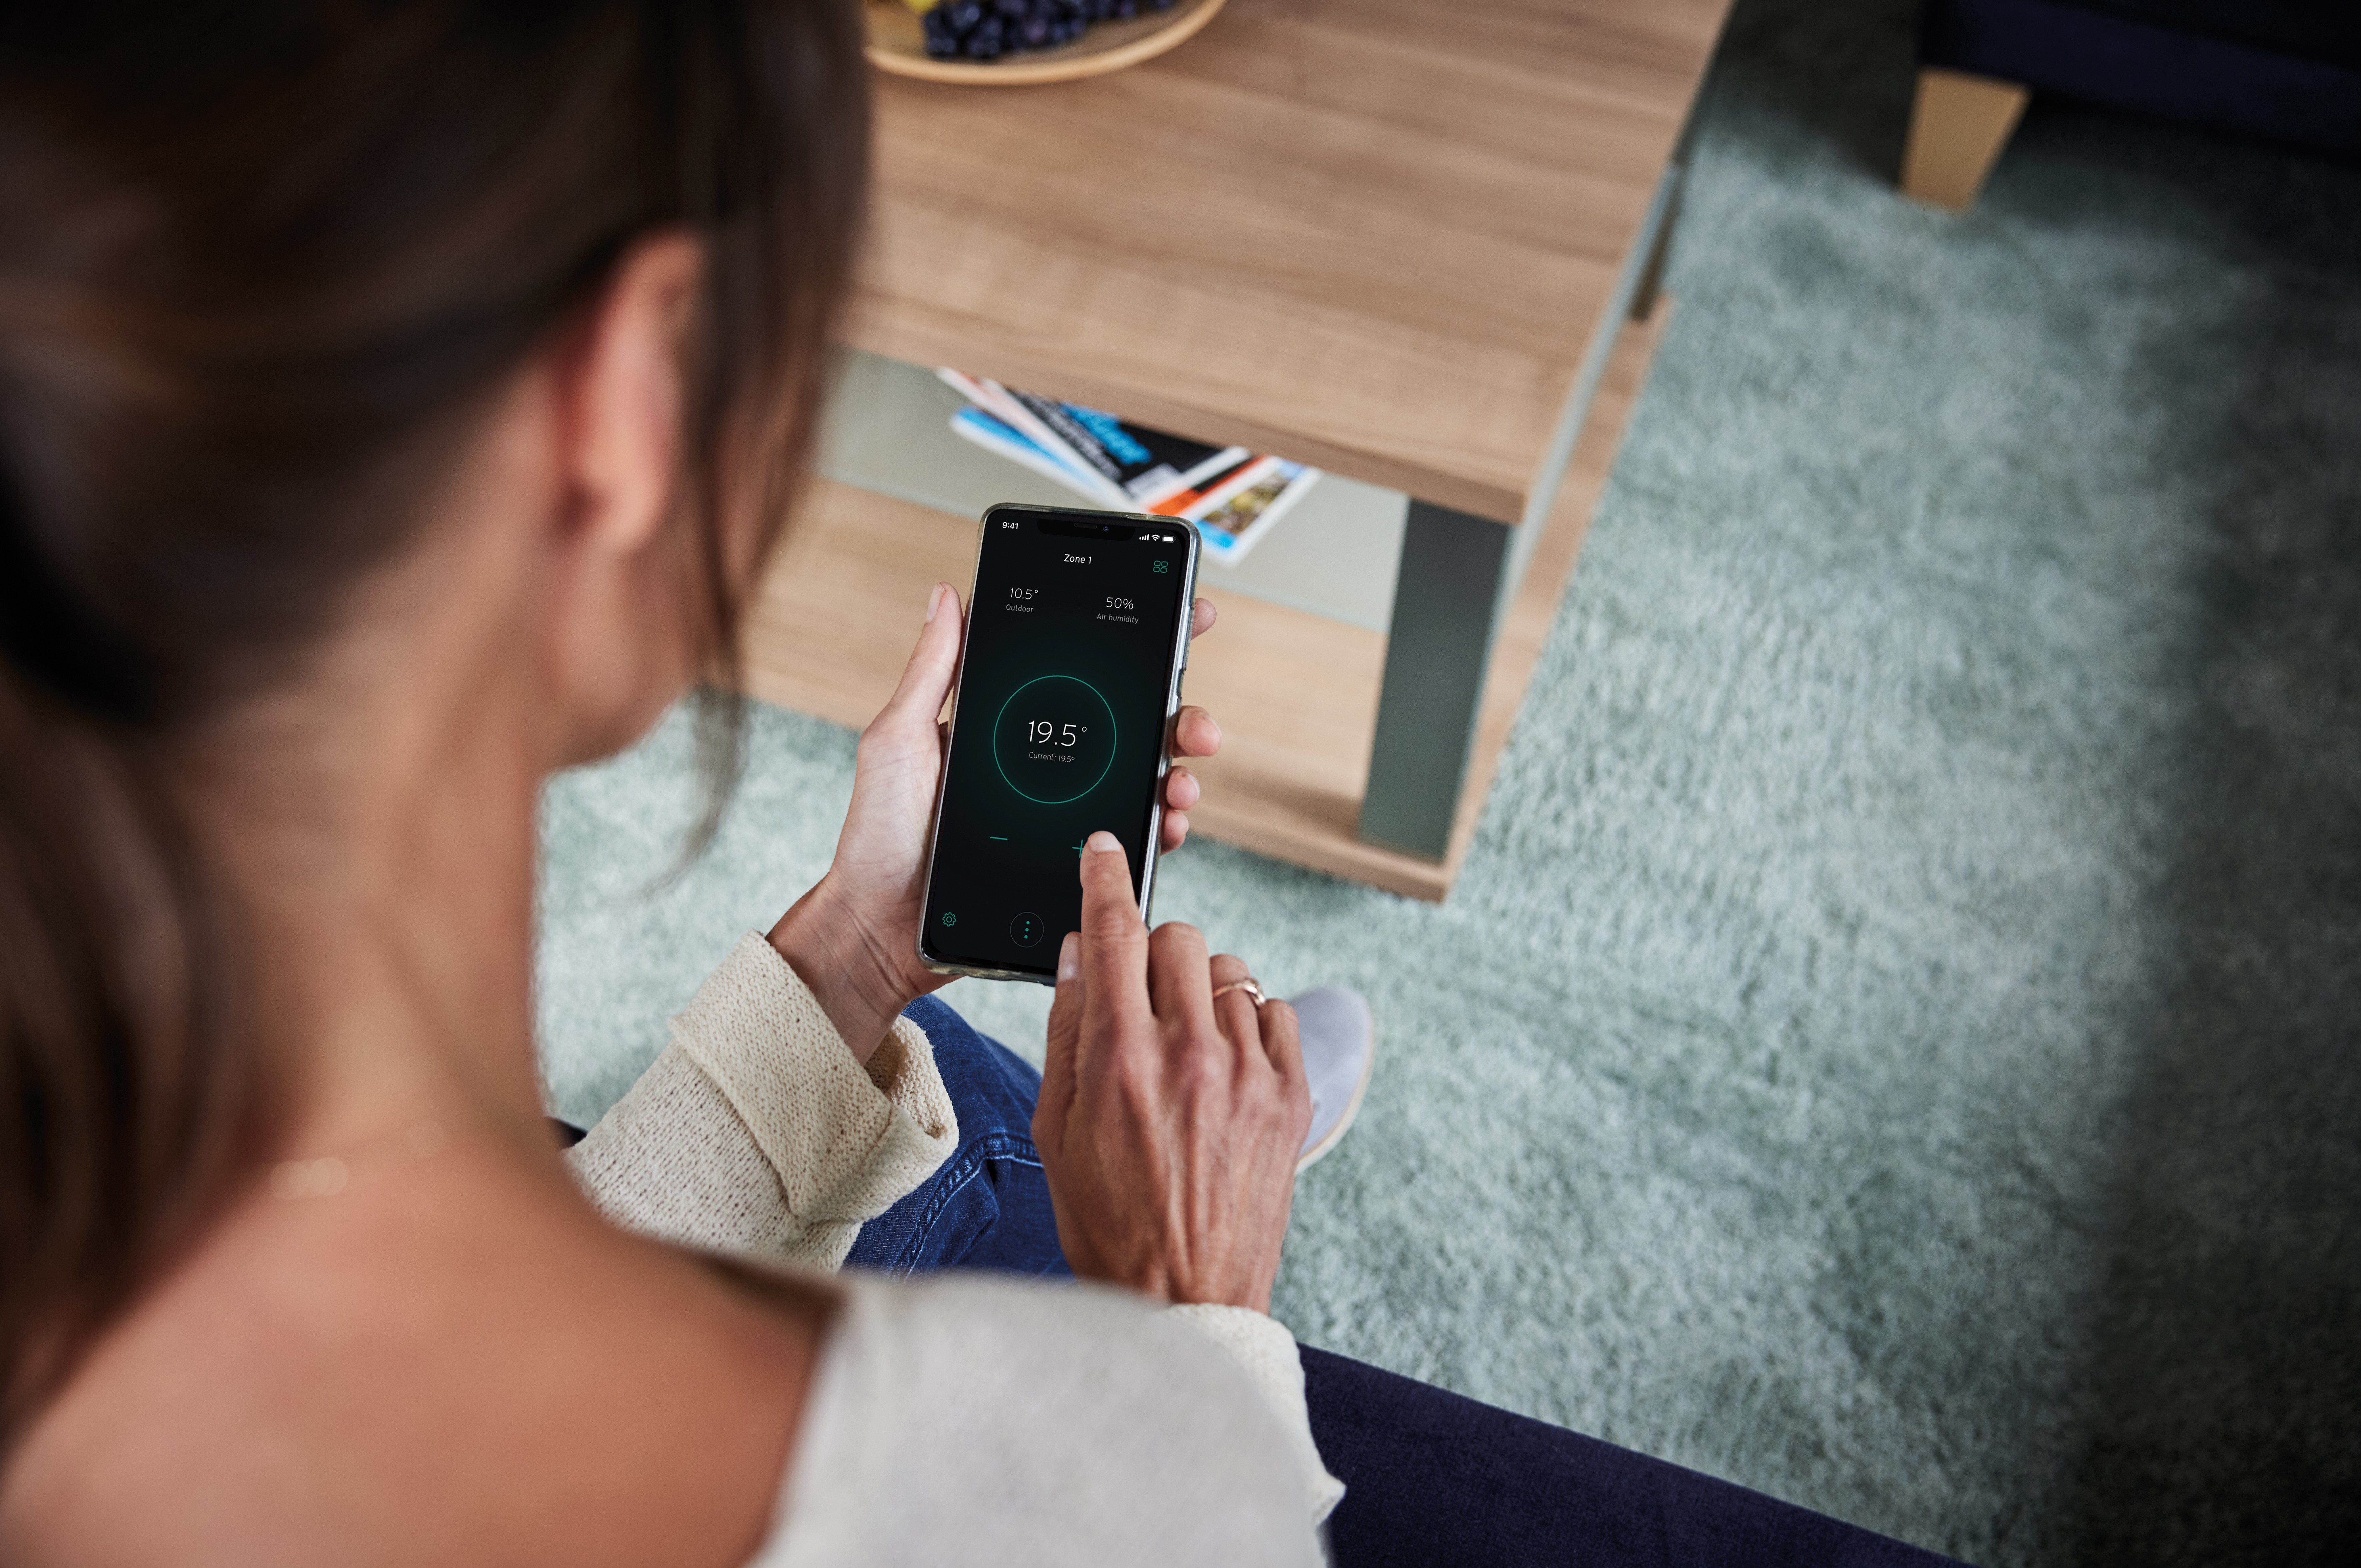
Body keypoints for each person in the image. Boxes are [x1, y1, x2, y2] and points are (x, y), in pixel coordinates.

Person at [0, 5, 1962, 1564]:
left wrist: (857, 946)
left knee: (977, 1096)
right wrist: (1188, 1330)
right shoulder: (1016, 1495)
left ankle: (1041, 1113)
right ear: (617, 405)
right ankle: (1158, 1149)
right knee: (1067, 1159)